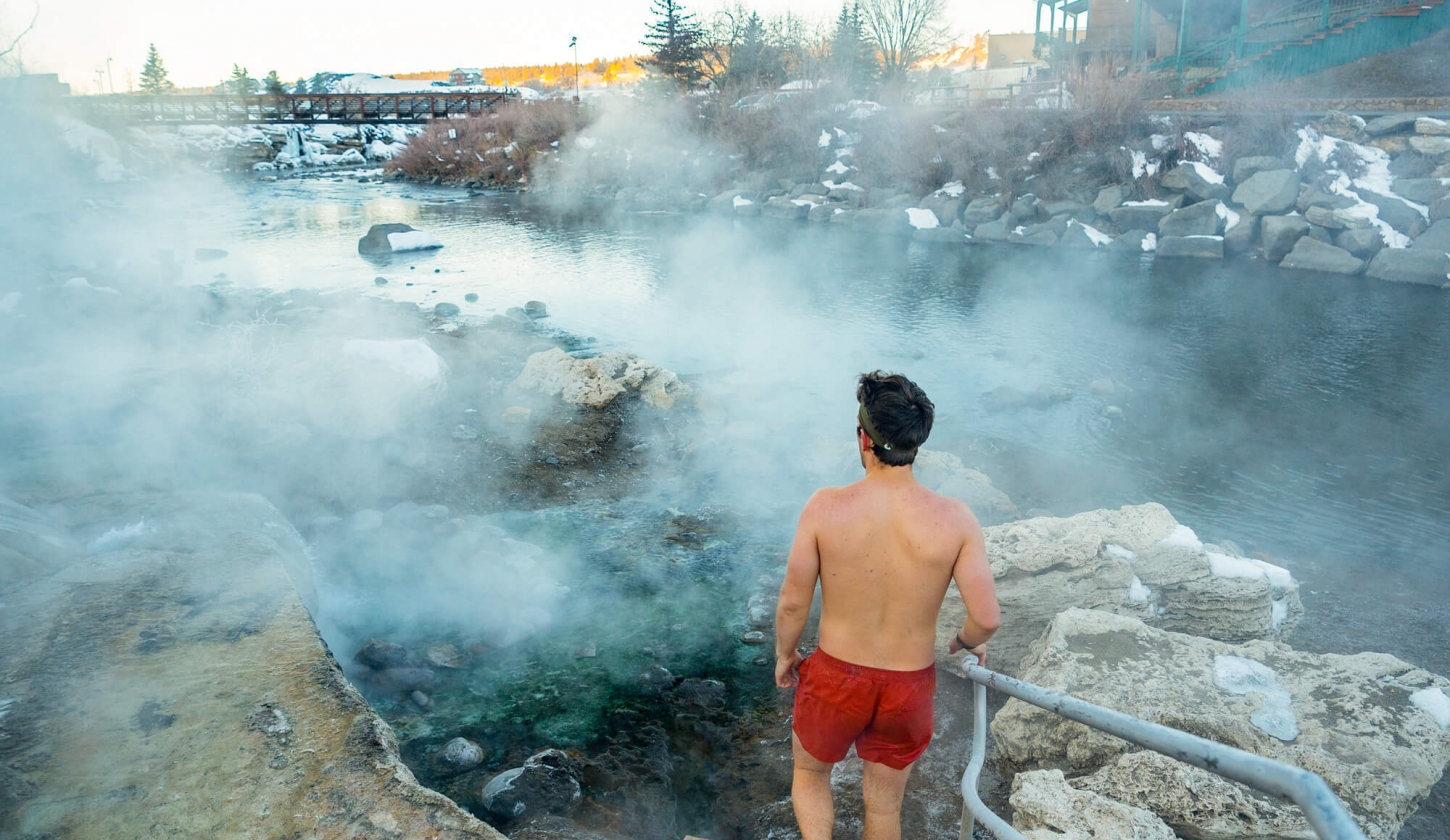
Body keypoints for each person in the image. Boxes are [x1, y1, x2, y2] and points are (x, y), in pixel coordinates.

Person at [774, 371, 1001, 840]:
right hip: (908, 688)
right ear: (917, 442)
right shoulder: (956, 519)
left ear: (863, 437)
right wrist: (961, 643)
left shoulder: (824, 507)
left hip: (836, 675)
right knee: (883, 810)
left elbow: (793, 602)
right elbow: (986, 618)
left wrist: (785, 656)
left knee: (811, 774)